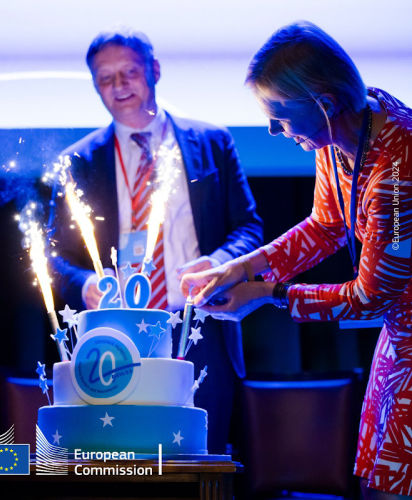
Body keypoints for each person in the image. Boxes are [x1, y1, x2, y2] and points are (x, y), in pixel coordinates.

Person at [181, 21, 411, 498]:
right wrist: (243, 267)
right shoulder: (344, 130)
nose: (271, 129)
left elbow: (368, 297)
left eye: (279, 115)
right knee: (378, 487)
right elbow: (326, 225)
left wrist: (267, 295)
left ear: (324, 104)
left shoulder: (397, 168)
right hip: (400, 340)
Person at [50, 28, 263, 453]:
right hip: (115, 337)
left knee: (202, 463)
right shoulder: (78, 160)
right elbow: (55, 258)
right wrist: (85, 283)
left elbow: (249, 229)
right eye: (105, 79)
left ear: (155, 70)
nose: (119, 86)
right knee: (126, 465)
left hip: (198, 327)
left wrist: (219, 263)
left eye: (129, 72)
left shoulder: (212, 142)